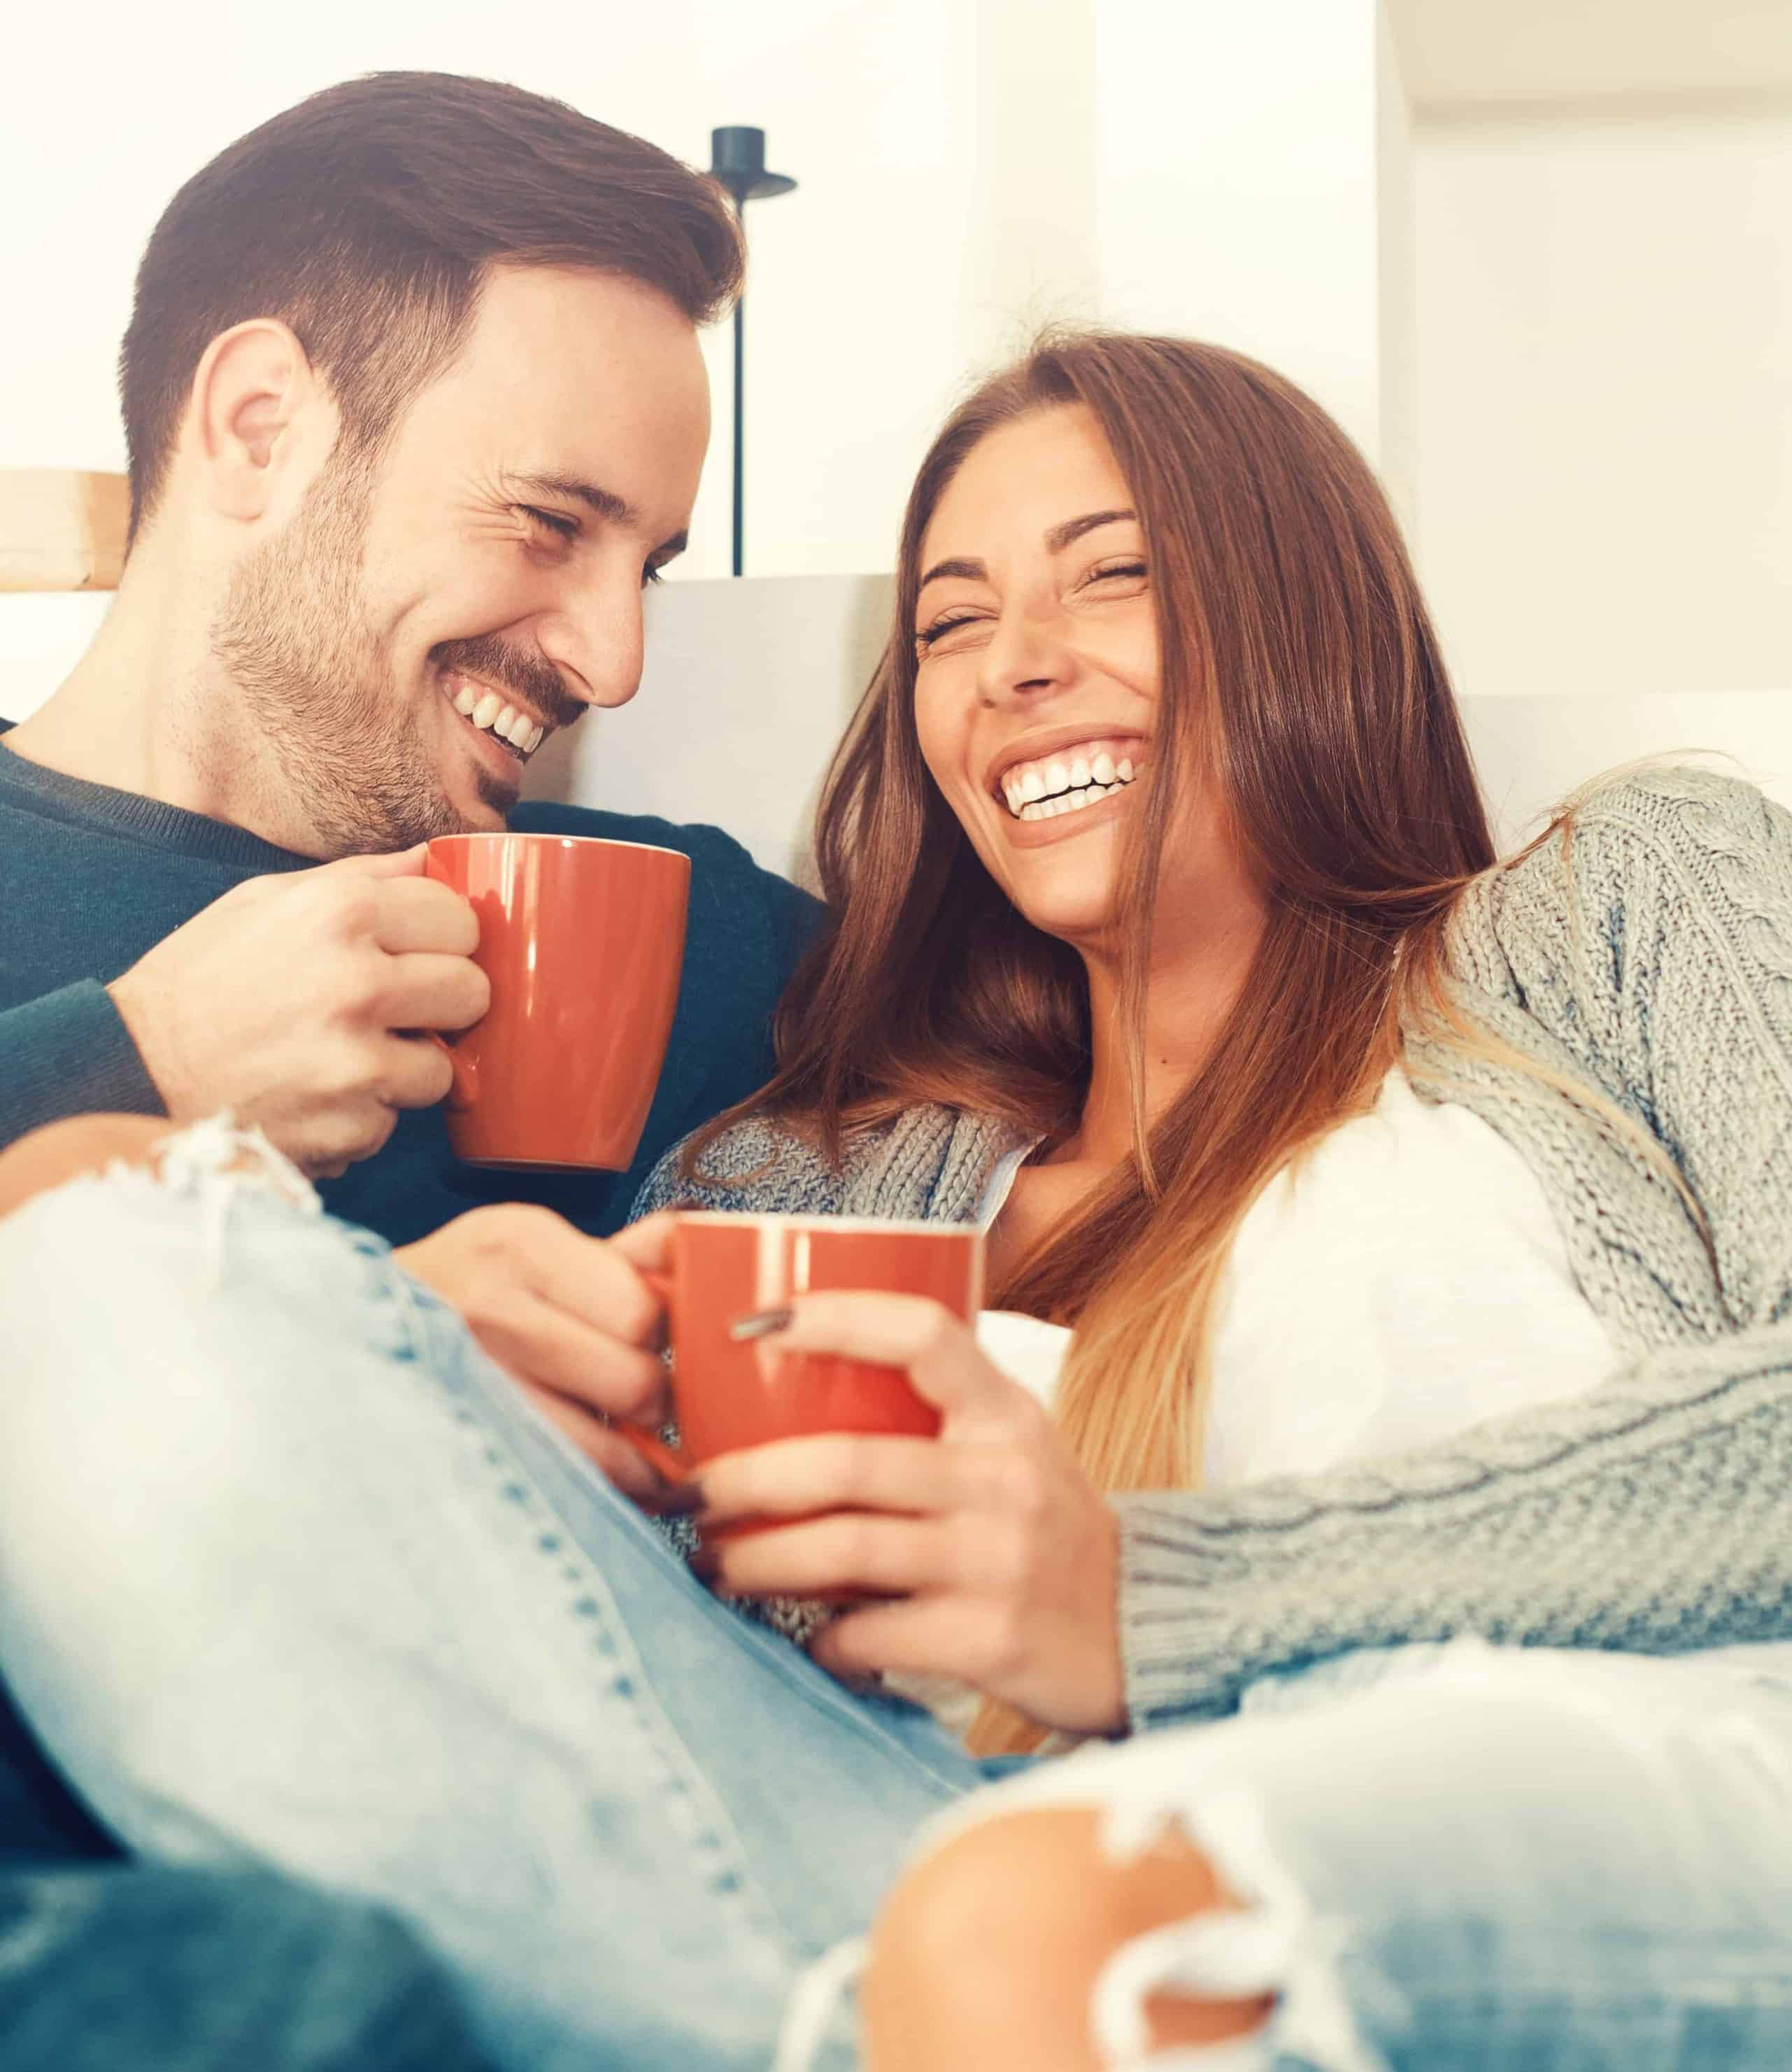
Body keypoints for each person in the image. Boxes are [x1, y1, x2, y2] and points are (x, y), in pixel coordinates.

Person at [5, 329, 1792, 2072]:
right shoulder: (798, 1173)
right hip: (933, 1883)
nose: (1010, 664)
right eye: (949, 623)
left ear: (1302, 611)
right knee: (81, 1223)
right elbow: (655, 1700)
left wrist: (1147, 1594)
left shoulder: (1620, 909)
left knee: (1044, 1924)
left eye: (1116, 576)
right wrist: (456, 1384)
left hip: (1617, 1811)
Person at [0, 70, 813, 2066]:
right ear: (261, 424)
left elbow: (1183, 1025)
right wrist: (130, 1063)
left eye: (648, 560)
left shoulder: (652, 929)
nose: (612, 655)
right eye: (552, 524)